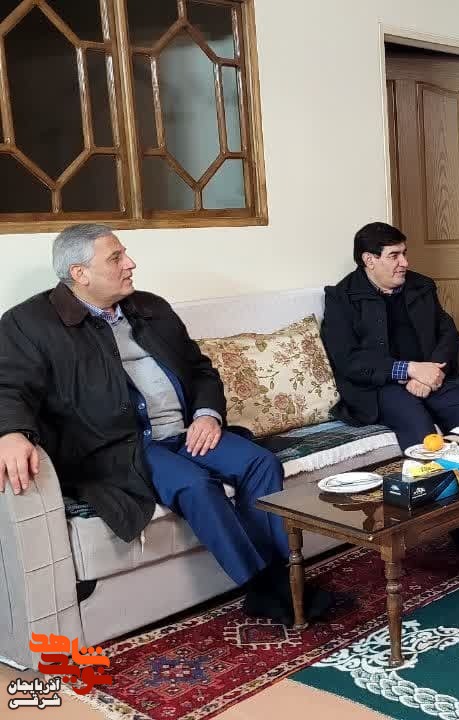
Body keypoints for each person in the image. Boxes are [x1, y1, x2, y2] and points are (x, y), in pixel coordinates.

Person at [0, 224, 329, 625]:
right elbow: (8, 386)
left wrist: (206, 414)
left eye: (125, 253)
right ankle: (262, 586)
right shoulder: (28, 324)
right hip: (120, 447)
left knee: (260, 463)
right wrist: (11, 432)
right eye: (116, 258)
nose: (130, 263)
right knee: (194, 484)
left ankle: (285, 573)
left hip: (184, 432)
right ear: (79, 273)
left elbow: (200, 369)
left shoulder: (149, 307)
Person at [321, 221, 459, 546]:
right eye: (394, 255)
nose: (404, 262)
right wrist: (408, 370)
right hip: (380, 388)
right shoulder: (342, 298)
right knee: (420, 433)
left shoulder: (421, 286)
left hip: (431, 376)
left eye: (404, 253)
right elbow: (349, 361)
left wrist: (431, 372)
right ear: (369, 260)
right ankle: (437, 522)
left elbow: (447, 333)